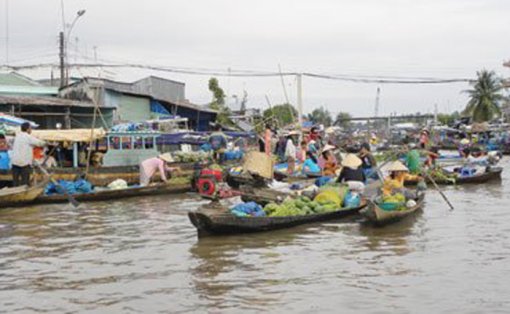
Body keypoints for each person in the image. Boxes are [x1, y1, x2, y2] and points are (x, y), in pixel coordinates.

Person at [10, 122, 45, 186]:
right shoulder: (28, 137)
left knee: (15, 182)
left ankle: (15, 192)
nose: (31, 130)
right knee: (25, 182)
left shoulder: (17, 136)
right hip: (24, 163)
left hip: (14, 163)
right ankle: (23, 193)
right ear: (28, 129)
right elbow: (40, 143)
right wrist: (47, 143)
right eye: (30, 128)